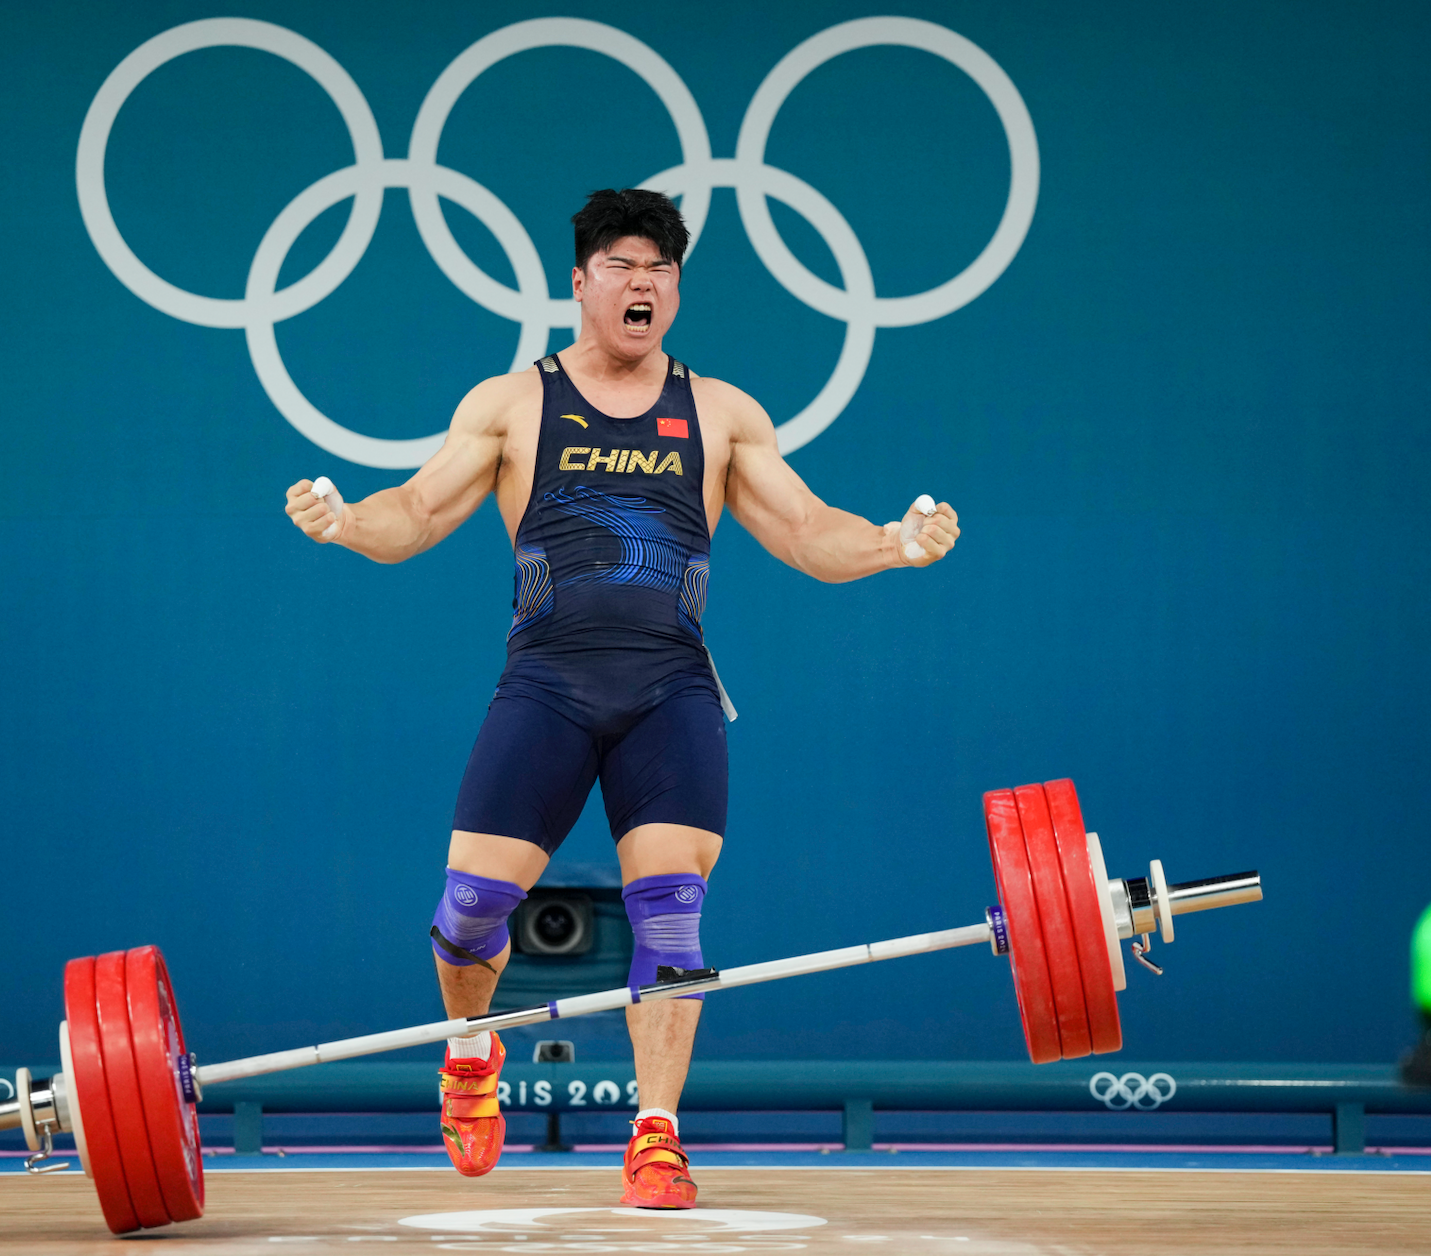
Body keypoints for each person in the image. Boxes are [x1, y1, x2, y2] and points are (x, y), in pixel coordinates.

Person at [284, 188, 958, 1208]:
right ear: (581, 282)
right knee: (469, 911)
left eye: (661, 269)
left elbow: (806, 527)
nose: (643, 283)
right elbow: (414, 510)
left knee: (672, 919)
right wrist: (345, 522)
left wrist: (892, 544)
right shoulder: (512, 404)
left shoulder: (721, 413)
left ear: (675, 289)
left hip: (668, 693)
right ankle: (469, 1051)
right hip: (546, 685)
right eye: (623, 266)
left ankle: (656, 1134)